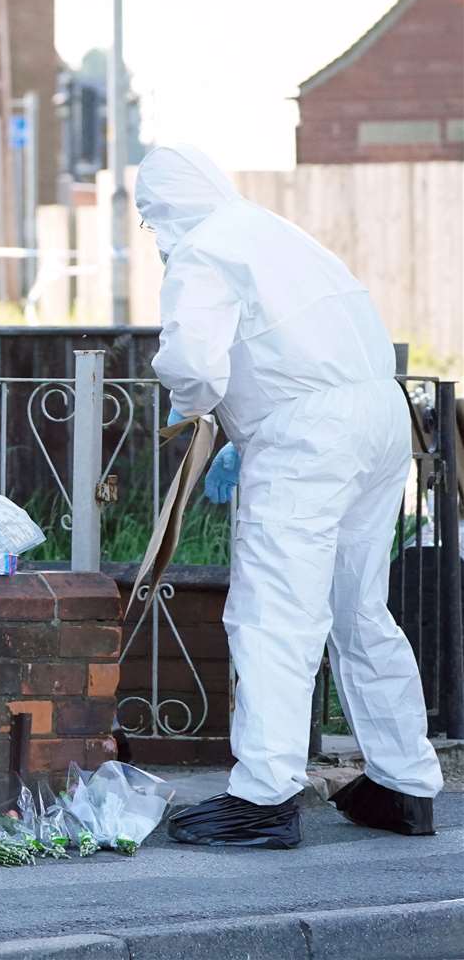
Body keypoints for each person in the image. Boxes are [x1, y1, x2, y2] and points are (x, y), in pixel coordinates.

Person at [137, 144, 441, 848]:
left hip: (305, 436)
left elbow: (191, 362)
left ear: (162, 208)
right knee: (357, 609)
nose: (154, 236)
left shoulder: (202, 249)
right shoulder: (274, 231)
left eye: (150, 221)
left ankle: (263, 797)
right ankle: (405, 785)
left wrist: (196, 409)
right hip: (377, 416)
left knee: (274, 610)